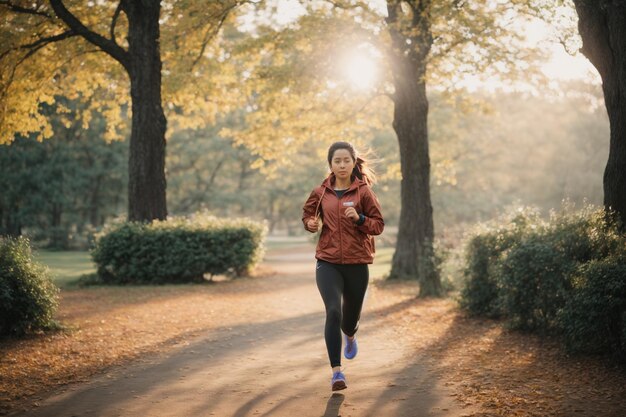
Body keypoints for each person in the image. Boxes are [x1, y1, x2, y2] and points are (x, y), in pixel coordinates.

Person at [301, 141, 384, 391]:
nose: (342, 165)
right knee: (333, 312)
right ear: (330, 164)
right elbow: (307, 215)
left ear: (353, 162)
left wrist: (359, 219)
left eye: (346, 160)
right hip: (327, 262)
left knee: (348, 320)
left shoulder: (363, 192)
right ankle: (337, 373)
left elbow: (378, 225)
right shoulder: (320, 192)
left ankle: (350, 334)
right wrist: (310, 224)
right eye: (337, 161)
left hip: (358, 262)